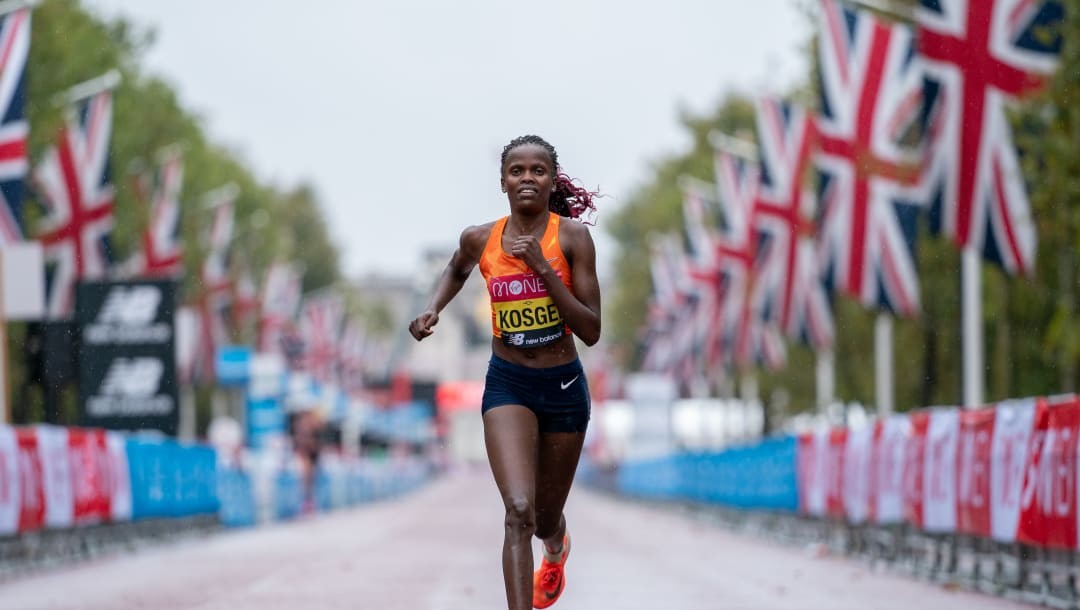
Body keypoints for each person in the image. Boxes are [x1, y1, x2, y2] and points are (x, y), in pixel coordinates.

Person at [409, 134, 601, 610]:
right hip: (509, 383)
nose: (527, 178)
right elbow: (457, 269)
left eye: (538, 171)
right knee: (518, 512)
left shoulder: (572, 239)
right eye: (517, 171)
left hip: (562, 386)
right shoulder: (481, 239)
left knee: (544, 519)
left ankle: (555, 548)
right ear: (503, 182)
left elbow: (592, 330)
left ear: (552, 180)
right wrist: (432, 308)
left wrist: (543, 268)